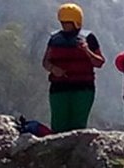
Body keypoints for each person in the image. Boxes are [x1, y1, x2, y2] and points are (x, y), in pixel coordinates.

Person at [43, 3, 105, 132]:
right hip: (59, 88)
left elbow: (99, 62)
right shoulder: (54, 39)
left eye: (68, 22)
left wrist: (87, 50)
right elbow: (45, 62)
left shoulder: (88, 38)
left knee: (78, 127)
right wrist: (54, 69)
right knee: (58, 126)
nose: (65, 25)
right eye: (63, 22)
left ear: (76, 21)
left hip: (83, 89)